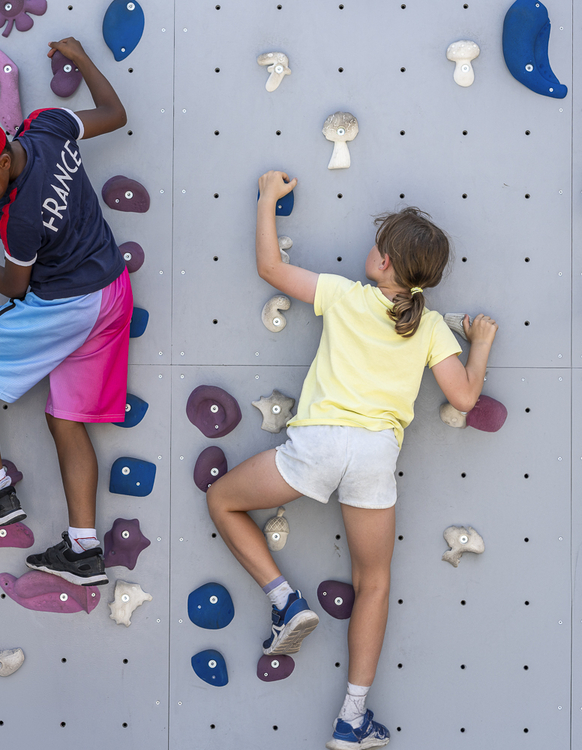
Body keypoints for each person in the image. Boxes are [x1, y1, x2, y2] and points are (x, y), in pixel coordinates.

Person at [207, 170, 498, 750]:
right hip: (374, 458)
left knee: (221, 500)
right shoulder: (433, 326)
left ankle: (284, 601)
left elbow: (269, 267)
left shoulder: (343, 294)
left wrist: (267, 198)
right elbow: (464, 397)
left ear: (385, 262)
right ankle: (352, 720)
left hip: (318, 443)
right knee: (374, 581)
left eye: (378, 246)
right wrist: (482, 340)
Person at [0, 37, 132, 587]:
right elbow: (115, 114)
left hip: (66, 304)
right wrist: (84, 59)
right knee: (64, 419)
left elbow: (17, 289)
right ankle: (85, 550)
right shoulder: (47, 126)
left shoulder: (18, 218)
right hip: (112, 290)